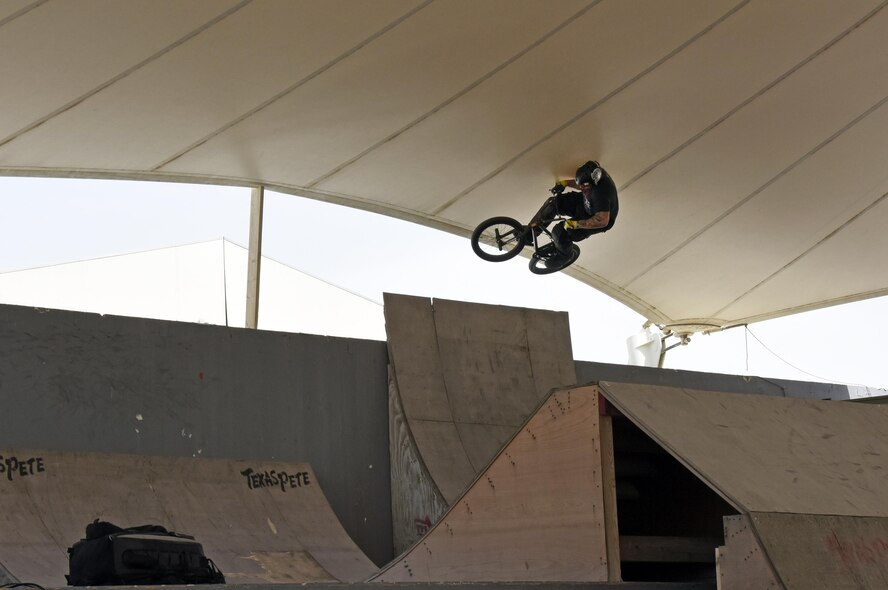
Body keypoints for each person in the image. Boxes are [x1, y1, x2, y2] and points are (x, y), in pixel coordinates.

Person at [543, 160, 619, 266]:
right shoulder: (593, 177)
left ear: (593, 184)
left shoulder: (601, 195)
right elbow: (582, 184)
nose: (581, 188)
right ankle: (530, 233)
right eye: (581, 185)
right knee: (553, 203)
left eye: (584, 186)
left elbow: (602, 221)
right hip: (586, 202)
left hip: (597, 218)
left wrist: (577, 224)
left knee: (559, 233)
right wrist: (565, 183)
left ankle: (564, 257)